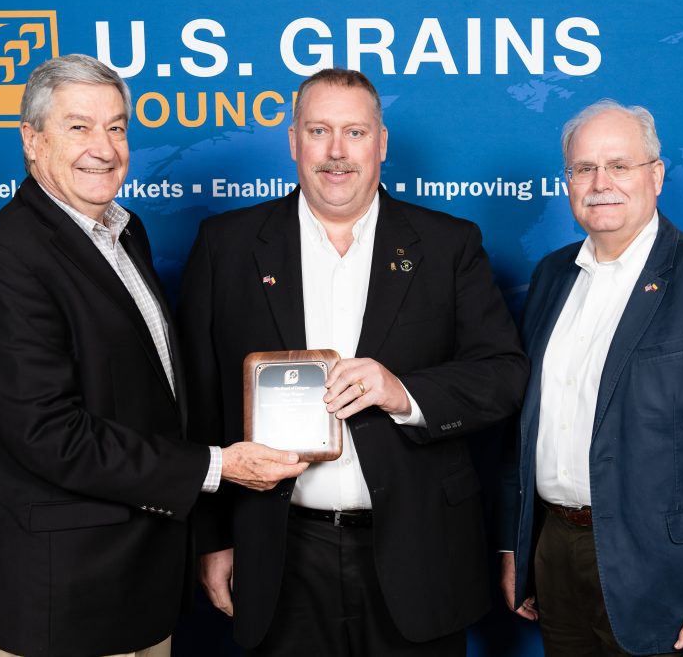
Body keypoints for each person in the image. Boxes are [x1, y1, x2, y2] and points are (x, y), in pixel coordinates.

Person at [0, 54, 304, 657]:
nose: (104, 147)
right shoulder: (5, 258)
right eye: (79, 127)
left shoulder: (122, 231)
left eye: (116, 127)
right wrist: (217, 467)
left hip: (140, 583)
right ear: (32, 142)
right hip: (61, 597)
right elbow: (47, 434)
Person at [179, 68, 529, 656]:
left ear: (382, 143)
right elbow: (200, 400)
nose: (337, 152)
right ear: (293, 140)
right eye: (318, 130)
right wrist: (212, 539)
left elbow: (504, 374)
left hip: (418, 554)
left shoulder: (448, 245)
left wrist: (406, 394)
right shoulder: (228, 245)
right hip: (279, 552)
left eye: (355, 133)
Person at [498, 99, 683, 656]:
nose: (600, 182)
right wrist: (515, 546)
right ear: (568, 182)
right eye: (584, 168)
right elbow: (522, 424)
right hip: (556, 554)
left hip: (666, 576)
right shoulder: (552, 276)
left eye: (619, 165)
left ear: (655, 175)